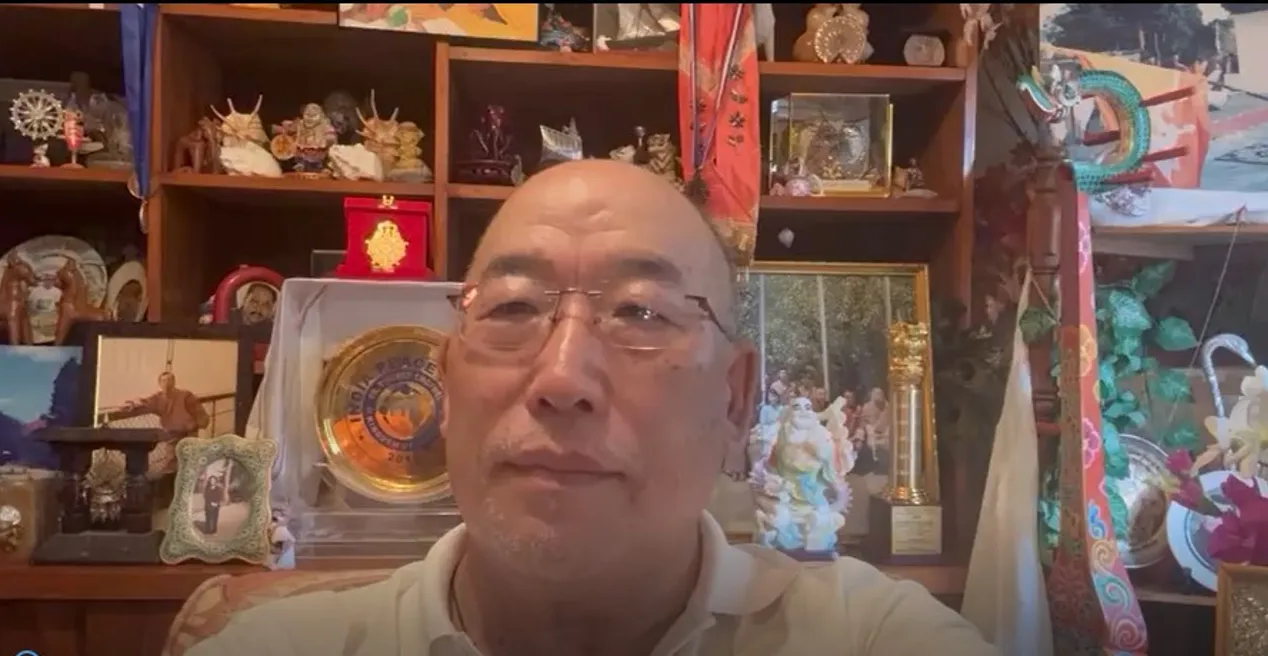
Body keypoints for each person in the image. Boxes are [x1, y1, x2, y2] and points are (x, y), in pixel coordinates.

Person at [184, 159, 996, 655]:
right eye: (511, 307)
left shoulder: (868, 638)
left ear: (735, 399)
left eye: (641, 312)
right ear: (446, 384)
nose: (562, 375)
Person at [121, 371, 210, 439]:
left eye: (169, 380)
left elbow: (198, 411)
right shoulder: (157, 398)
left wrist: (199, 424)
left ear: (174, 382)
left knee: (189, 455)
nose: (166, 383)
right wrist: (133, 404)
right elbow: (143, 402)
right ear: (159, 384)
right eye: (163, 381)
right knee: (170, 456)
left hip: (189, 433)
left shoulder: (185, 395)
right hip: (172, 434)